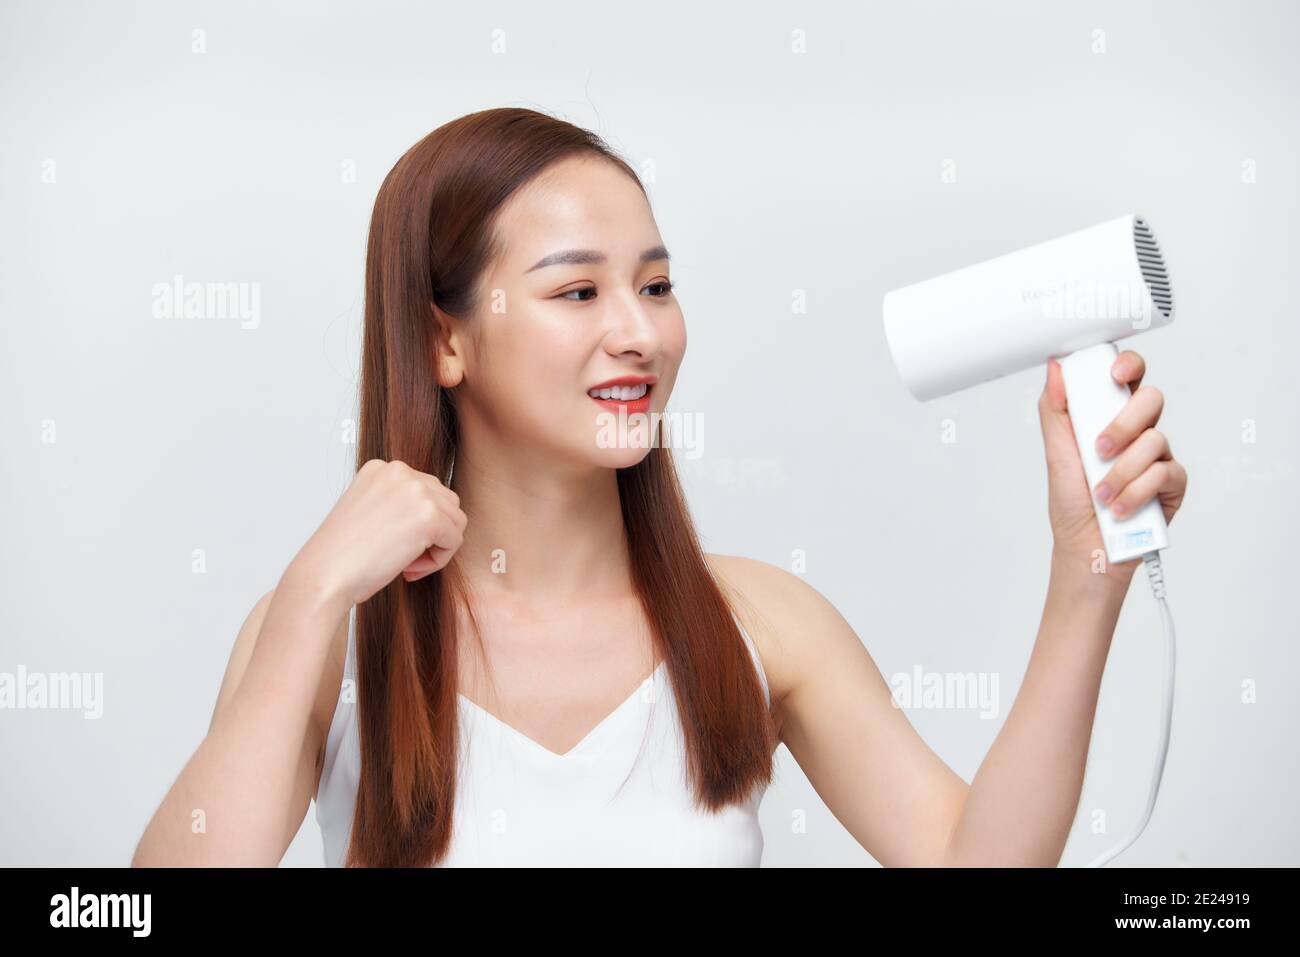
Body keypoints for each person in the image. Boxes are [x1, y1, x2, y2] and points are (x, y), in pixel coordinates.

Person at [132, 107, 1188, 867]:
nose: (639, 333)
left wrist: (1082, 574)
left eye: (656, 285)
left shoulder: (759, 625)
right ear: (443, 338)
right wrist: (316, 589)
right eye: (578, 289)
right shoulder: (322, 634)